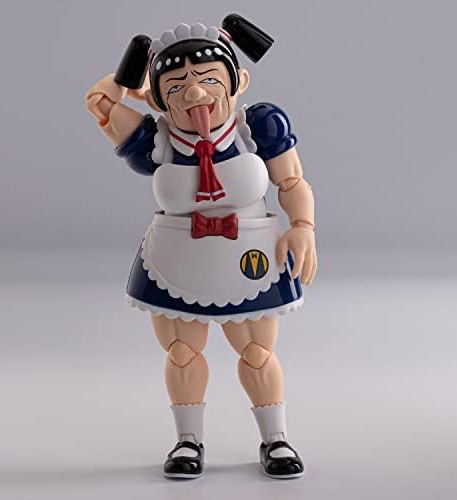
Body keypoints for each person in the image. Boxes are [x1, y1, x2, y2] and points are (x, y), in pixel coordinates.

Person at [85, 14, 317, 479]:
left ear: (238, 82)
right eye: (175, 86)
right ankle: (188, 441)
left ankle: (276, 438)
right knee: (182, 352)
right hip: (177, 259)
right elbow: (100, 102)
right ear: (158, 99)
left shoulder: (258, 127)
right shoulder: (157, 141)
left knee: (258, 352)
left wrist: (303, 225)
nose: (194, 94)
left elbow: (291, 180)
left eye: (208, 79)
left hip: (248, 256)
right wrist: (132, 79)